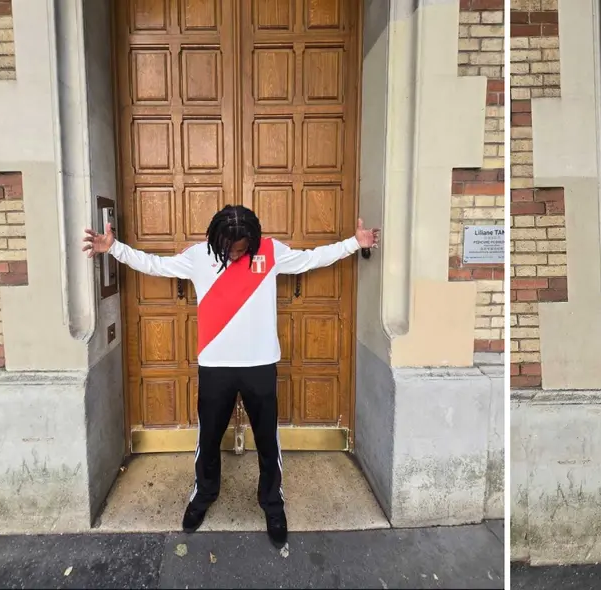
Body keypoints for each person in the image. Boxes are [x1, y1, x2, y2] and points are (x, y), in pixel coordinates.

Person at [82, 205, 379, 548]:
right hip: (215, 365)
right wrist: (113, 248)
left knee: (267, 441)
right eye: (230, 248)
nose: (236, 254)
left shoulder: (270, 252)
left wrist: (354, 244)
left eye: (242, 248)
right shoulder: (199, 256)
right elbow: (156, 264)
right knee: (208, 439)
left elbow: (310, 258)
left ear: (253, 240)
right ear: (218, 239)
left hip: (261, 364)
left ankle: (272, 504)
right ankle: (203, 495)